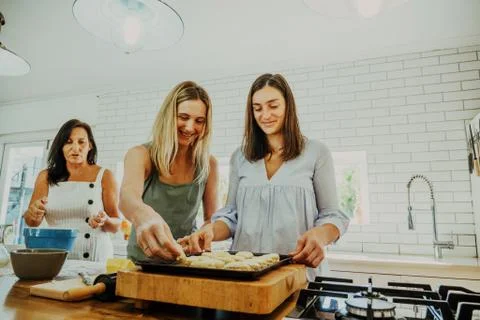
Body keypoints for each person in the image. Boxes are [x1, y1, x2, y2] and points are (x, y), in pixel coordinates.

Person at [180, 73, 349, 280]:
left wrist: (320, 236)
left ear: (288, 106)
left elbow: (333, 215)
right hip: (245, 277)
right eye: (257, 108)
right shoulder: (240, 157)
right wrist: (211, 231)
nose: (265, 115)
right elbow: (231, 217)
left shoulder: (316, 152)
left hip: (298, 274)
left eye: (273, 106)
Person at [119, 80, 218, 262]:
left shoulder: (209, 164)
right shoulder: (141, 155)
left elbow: (211, 218)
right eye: (183, 117)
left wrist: (206, 232)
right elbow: (127, 198)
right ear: (168, 116)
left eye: (199, 121)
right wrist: (143, 214)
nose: (190, 127)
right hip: (141, 262)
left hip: (186, 260)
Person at [24, 119, 121, 262]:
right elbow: (31, 222)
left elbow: (116, 225)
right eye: (68, 142)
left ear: (90, 145)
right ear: (60, 146)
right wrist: (34, 213)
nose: (75, 148)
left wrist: (105, 220)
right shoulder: (46, 176)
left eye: (81, 142)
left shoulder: (105, 175)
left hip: (94, 257)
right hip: (56, 256)